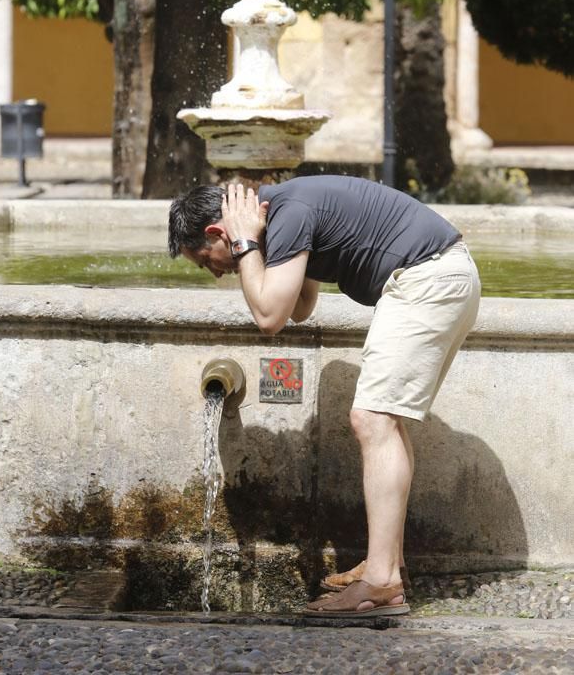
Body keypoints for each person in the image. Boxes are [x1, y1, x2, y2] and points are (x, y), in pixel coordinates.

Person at [168, 175, 481, 618]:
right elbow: (300, 306)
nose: (217, 271)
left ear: (218, 232)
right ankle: (387, 565)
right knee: (383, 422)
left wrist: (244, 245)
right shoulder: (284, 213)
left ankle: (382, 583)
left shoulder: (288, 211)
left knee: (372, 420)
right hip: (438, 275)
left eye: (206, 260)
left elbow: (271, 316)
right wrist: (257, 247)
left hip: (426, 278)